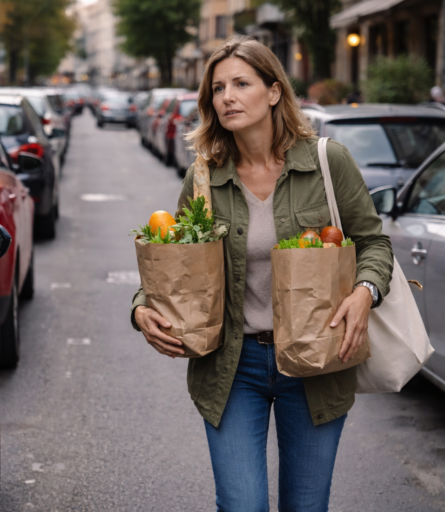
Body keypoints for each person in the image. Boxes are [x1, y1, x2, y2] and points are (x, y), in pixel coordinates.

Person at [131, 36, 393, 511]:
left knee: (306, 506)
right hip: (233, 367)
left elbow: (373, 242)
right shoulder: (205, 178)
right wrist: (141, 309)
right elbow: (175, 264)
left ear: (274, 92)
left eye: (241, 83)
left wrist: (365, 292)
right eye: (217, 88)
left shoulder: (326, 162)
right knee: (241, 504)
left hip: (316, 360)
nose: (226, 96)